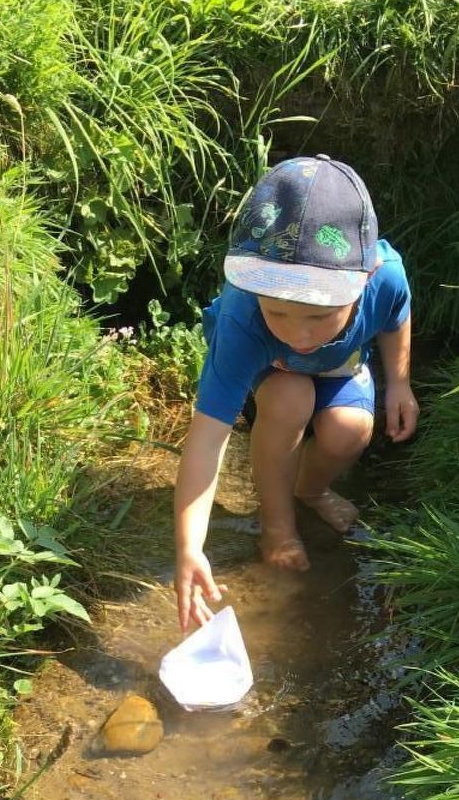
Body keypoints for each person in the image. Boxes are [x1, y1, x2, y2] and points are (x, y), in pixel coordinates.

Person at [173, 155, 418, 629]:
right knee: (290, 398)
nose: (298, 334)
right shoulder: (243, 315)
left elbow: (396, 317)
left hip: (340, 367)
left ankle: (311, 489)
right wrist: (189, 548)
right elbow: (206, 439)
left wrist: (400, 383)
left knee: (351, 431)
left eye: (319, 315)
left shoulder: (385, 276)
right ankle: (278, 523)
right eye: (278, 313)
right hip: (274, 376)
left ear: (364, 279)